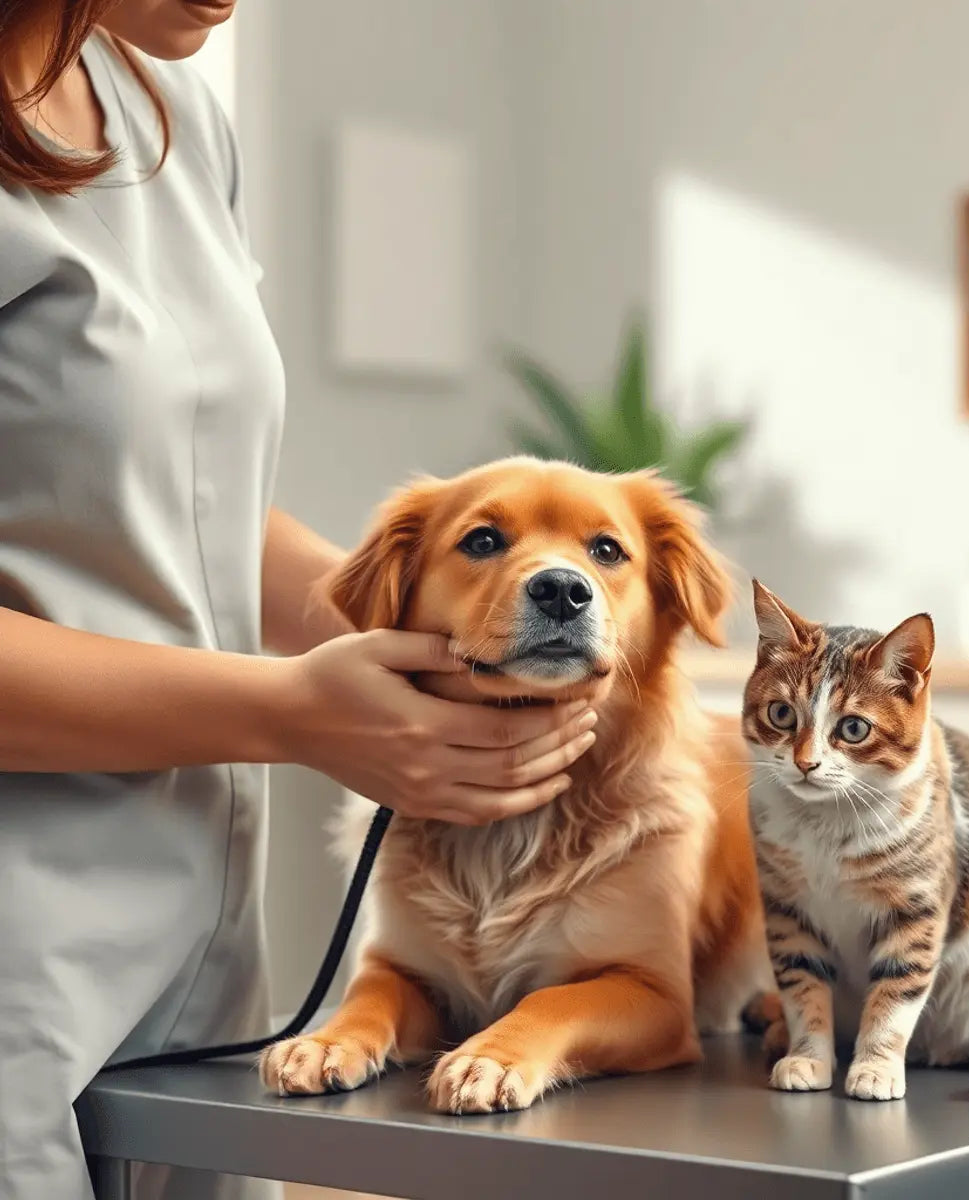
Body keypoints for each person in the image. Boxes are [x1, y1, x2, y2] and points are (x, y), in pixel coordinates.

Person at [0, 4, 597, 1198]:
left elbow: (189, 492)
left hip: (198, 962)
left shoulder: (168, 115)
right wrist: (290, 714)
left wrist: (432, 644)